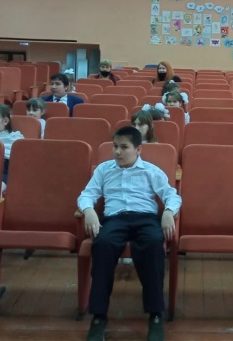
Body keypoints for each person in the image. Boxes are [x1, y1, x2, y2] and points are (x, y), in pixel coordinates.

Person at [77, 126, 181, 341]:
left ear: (138, 149)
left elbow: (172, 195)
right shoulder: (104, 170)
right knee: (102, 244)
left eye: (124, 147)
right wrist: (89, 211)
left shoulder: (150, 171)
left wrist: (169, 212)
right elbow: (87, 195)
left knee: (153, 244)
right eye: (115, 146)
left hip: (145, 219)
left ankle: (155, 315)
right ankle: (98, 316)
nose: (117, 152)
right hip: (115, 219)